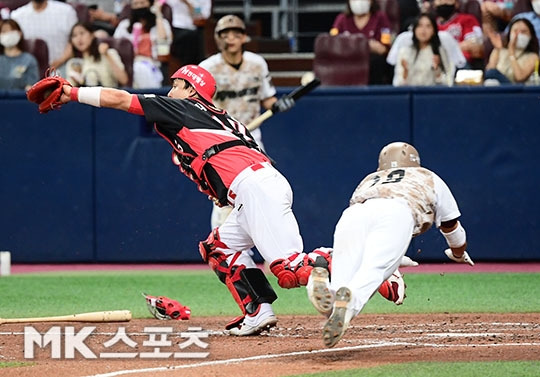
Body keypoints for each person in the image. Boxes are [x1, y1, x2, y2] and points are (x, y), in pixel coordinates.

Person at [56, 64, 331, 336]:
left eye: (176, 85)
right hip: (258, 185)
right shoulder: (227, 119)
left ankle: (345, 261)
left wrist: (72, 93)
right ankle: (258, 312)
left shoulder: (183, 107)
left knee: (290, 271)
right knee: (220, 248)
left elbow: (120, 99)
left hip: (253, 188)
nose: (171, 90)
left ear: (191, 88)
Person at [306, 141, 474, 348]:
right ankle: (348, 305)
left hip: (353, 215)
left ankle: (320, 284)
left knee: (341, 283)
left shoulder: (370, 179)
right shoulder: (428, 176)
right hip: (397, 212)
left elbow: (370, 225)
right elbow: (450, 225)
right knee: (374, 270)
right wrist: (458, 252)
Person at [199, 14, 295, 229]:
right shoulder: (208, 68)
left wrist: (279, 104)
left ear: (244, 38)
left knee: (263, 187)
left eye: (236, 34)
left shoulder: (257, 64)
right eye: (225, 35)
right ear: (217, 39)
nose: (230, 39)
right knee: (223, 193)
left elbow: (267, 99)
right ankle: (221, 248)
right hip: (221, 138)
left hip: (252, 137)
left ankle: (267, 244)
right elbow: (198, 106)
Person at [330, 0, 394, 85]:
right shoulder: (341, 19)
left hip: (372, 63)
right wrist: (364, 44)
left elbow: (383, 49)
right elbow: (332, 42)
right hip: (347, 60)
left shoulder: (381, 17)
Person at [113, 0, 173, 88]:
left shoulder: (161, 23)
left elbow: (164, 42)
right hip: (128, 64)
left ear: (150, 4)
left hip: (152, 64)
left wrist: (158, 14)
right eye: (136, 4)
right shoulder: (124, 25)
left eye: (142, 3)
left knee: (140, 68)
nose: (139, 7)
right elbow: (116, 45)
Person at [11, 0, 78, 69]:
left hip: (61, 67)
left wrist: (58, 62)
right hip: (27, 69)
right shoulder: (17, 16)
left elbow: (73, 41)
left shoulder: (66, 11)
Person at [393, 13, 454, 86]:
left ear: (434, 31)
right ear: (414, 29)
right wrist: (405, 72)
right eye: (420, 26)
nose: (423, 30)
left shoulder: (440, 51)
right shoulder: (404, 51)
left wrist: (437, 72)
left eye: (428, 26)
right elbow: (397, 83)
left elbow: (449, 82)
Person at [65, 22, 129, 87]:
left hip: (108, 94)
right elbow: (69, 88)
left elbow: (124, 80)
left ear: (92, 35)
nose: (79, 38)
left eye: (82, 33)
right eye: (74, 36)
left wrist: (107, 55)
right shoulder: (73, 63)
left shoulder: (108, 53)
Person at [484, 17, 539, 84]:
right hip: (496, 88)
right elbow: (489, 73)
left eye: (523, 32)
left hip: (515, 91)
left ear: (530, 36)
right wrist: (497, 49)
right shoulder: (500, 50)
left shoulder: (533, 57)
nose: (518, 35)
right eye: (515, 31)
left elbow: (519, 78)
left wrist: (512, 53)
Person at [434, 0, 484, 68]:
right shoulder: (429, 25)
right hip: (437, 65)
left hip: (461, 64)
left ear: (456, 3)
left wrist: (447, 50)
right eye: (440, 0)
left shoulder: (468, 19)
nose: (443, 3)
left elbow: (474, 46)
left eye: (447, 0)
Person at [166, 0, 211, 74]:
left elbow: (200, 17)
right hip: (175, 28)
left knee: (192, 38)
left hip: (195, 29)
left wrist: (187, 3)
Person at [0, 19, 39, 90]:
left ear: (19, 33)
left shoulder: (29, 60)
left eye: (11, 30)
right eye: (4, 31)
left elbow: (31, 88)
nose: (8, 34)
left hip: (20, 99)